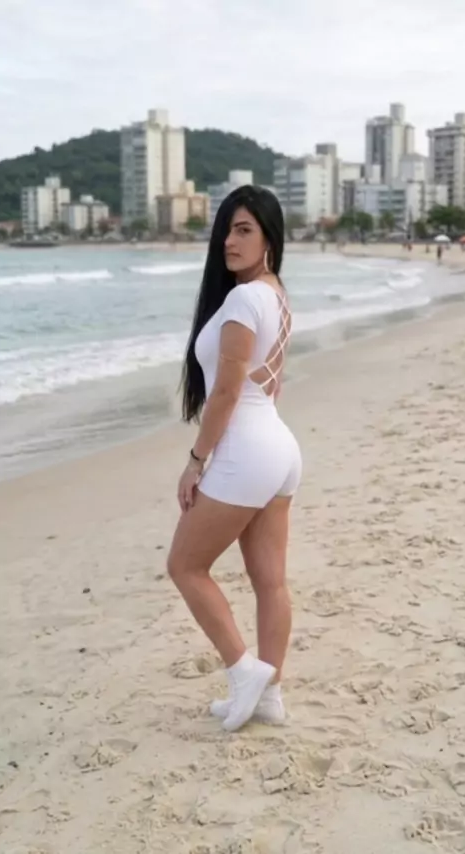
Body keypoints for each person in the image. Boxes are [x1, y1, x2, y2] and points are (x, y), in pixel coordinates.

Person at [167, 186, 302, 733]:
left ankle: (244, 671)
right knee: (270, 580)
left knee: (185, 565)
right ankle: (269, 696)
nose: (229, 240)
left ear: (270, 237)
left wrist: (196, 460)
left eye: (244, 229)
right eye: (226, 229)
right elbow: (268, 382)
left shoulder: (246, 299)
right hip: (277, 447)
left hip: (247, 448)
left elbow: (225, 392)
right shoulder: (276, 295)